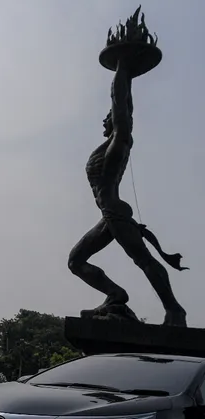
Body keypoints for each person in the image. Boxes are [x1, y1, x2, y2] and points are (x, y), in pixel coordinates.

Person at [67, 57, 188, 326]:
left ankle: (174, 310)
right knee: (76, 261)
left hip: (115, 212)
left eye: (108, 117)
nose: (104, 119)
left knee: (143, 259)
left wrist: (123, 67)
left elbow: (120, 102)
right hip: (108, 215)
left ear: (117, 121)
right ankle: (116, 294)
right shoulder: (108, 145)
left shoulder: (119, 142)